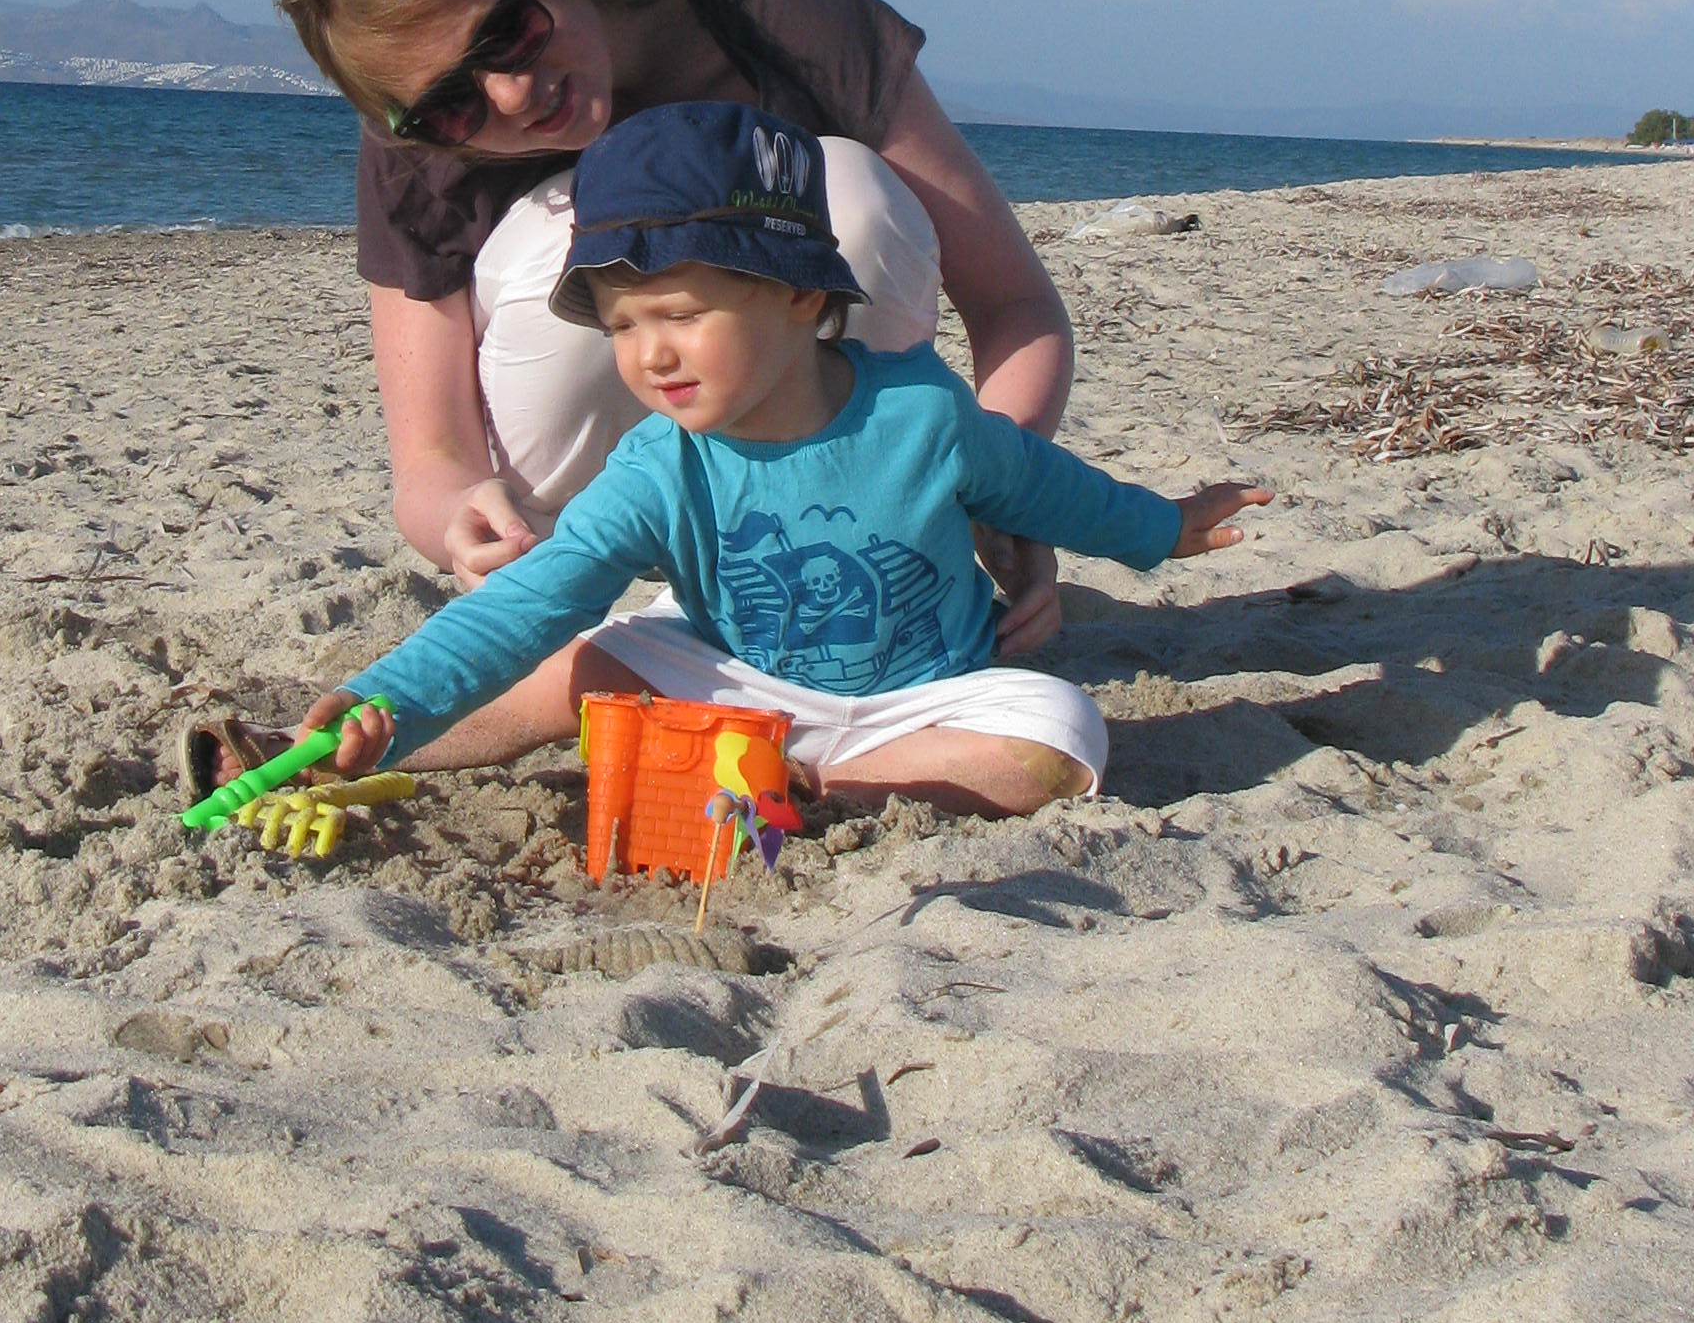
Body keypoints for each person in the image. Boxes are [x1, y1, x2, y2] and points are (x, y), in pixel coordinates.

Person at [302, 103, 1265, 815]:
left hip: (926, 700)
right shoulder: (656, 467)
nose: (651, 356)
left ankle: (816, 783)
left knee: (1061, 737)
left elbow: (1048, 491)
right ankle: (333, 748)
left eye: (682, 314)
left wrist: (1163, 528)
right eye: (623, 326)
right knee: (573, 662)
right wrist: (388, 698)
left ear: (801, 296)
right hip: (731, 680)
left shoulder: (921, 413)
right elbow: (529, 600)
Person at [273, 0, 1080, 650]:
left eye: (509, 31)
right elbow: (431, 458)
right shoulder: (418, 147)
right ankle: (572, 599)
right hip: (578, 514)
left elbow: (1016, 307)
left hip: (840, 495)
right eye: (451, 105)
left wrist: (995, 487)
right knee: (587, 236)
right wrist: (460, 518)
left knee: (845, 193)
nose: (510, 96)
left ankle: (860, 529)